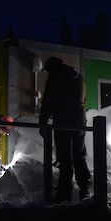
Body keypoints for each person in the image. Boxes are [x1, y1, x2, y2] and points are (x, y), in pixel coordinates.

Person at [39, 57, 91, 203]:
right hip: (80, 122)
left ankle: (64, 193)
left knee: (65, 158)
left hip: (63, 122)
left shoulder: (55, 78)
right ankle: (84, 190)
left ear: (51, 68)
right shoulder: (78, 77)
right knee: (79, 156)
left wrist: (43, 124)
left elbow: (48, 102)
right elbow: (83, 100)